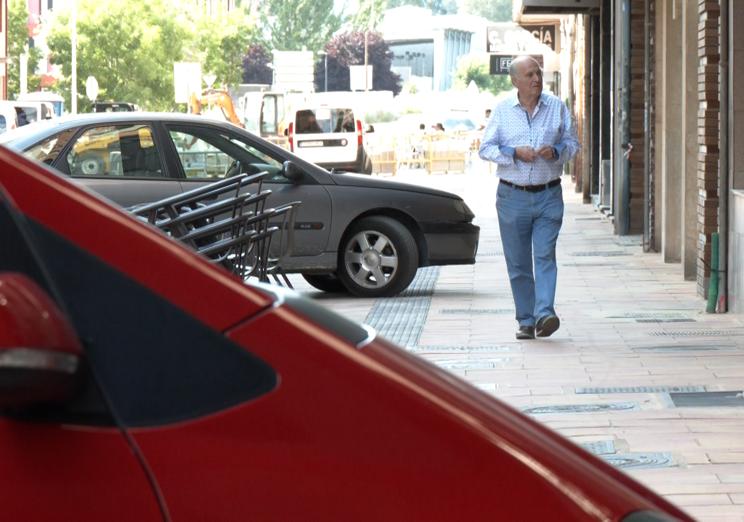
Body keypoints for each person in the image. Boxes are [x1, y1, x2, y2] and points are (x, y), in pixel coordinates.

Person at [478, 56, 579, 341]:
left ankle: (545, 313)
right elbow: (485, 149)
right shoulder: (502, 111)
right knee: (519, 262)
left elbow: (574, 144)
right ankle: (526, 319)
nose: (536, 79)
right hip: (512, 196)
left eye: (538, 73)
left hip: (549, 194)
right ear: (515, 81)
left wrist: (557, 151)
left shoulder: (557, 107)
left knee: (545, 255)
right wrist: (512, 152)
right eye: (530, 74)